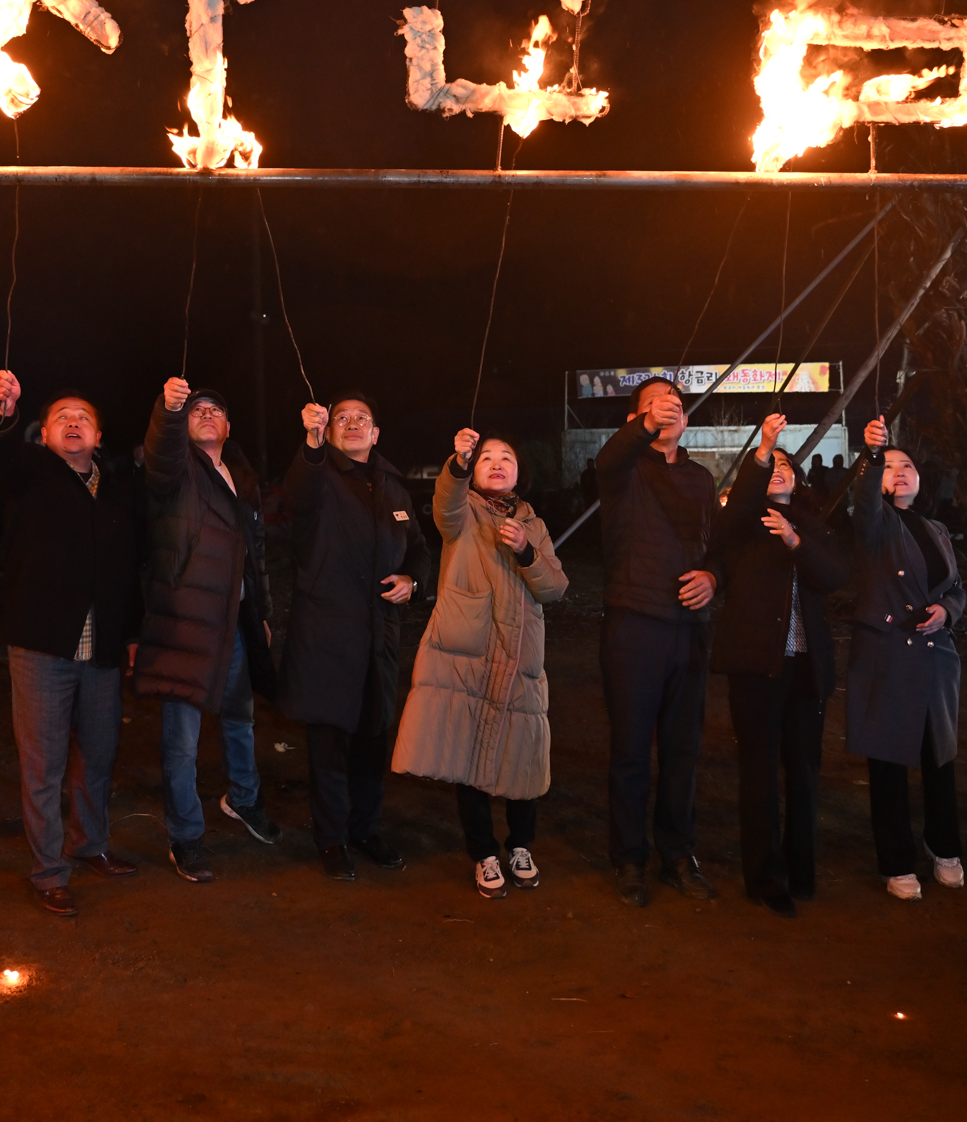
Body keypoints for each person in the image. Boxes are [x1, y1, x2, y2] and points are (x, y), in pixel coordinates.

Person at [0, 372, 143, 915]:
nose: (73, 423)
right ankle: (49, 869)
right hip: (42, 647)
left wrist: (132, 637)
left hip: (101, 651)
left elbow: (129, 571)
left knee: (97, 756)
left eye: (84, 418)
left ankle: (90, 844)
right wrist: (2, 415)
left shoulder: (116, 489)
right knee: (43, 764)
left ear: (98, 436)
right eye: (62, 418)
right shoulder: (29, 474)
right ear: (44, 434)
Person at [394, 428, 568, 898]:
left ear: (519, 472)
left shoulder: (535, 525)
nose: (496, 462)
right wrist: (458, 463)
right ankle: (484, 853)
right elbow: (444, 505)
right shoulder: (464, 512)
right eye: (487, 457)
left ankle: (521, 846)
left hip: (520, 659)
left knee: (522, 757)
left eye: (505, 457)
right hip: (468, 655)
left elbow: (554, 587)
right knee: (467, 756)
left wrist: (526, 552)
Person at [280, 392, 431, 881]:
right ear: (329, 429)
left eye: (361, 418)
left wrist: (413, 580)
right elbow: (296, 498)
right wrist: (310, 442)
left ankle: (367, 831)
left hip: (379, 640)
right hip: (328, 637)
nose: (351, 424)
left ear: (376, 433)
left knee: (371, 741)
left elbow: (418, 550)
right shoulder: (319, 474)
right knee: (329, 745)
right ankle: (331, 840)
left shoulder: (392, 486)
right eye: (341, 418)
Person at [135, 378, 278, 884]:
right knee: (183, 740)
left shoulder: (242, 476)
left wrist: (259, 609)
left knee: (241, 720)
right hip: (186, 624)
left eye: (216, 409)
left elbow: (253, 553)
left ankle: (243, 797)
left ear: (229, 425)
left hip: (234, 624)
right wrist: (167, 411)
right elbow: (160, 454)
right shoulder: (177, 471)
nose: (207, 414)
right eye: (197, 410)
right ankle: (186, 837)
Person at [711, 414, 850, 917]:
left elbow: (836, 575)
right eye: (772, 467)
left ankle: (802, 868)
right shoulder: (744, 522)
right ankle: (766, 879)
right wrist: (765, 448)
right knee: (760, 771)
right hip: (756, 667)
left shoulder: (814, 524)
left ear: (800, 479)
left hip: (806, 670)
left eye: (787, 466)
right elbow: (728, 521)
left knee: (805, 773)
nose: (779, 471)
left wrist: (796, 541)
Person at [595, 378, 720, 908]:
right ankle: (629, 858)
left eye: (675, 405)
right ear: (635, 421)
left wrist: (713, 577)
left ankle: (678, 853)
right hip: (634, 624)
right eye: (654, 406)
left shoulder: (700, 479)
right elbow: (608, 459)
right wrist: (646, 428)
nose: (669, 410)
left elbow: (716, 546)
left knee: (682, 750)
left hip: (689, 630)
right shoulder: (624, 472)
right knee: (629, 751)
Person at [848, 415, 967, 901]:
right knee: (889, 761)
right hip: (889, 654)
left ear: (920, 479)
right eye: (889, 466)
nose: (899, 471)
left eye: (906, 465)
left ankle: (944, 846)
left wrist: (948, 609)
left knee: (939, 756)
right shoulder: (874, 522)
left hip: (936, 656)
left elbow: (958, 588)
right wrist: (871, 456)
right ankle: (896, 861)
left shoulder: (936, 528)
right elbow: (862, 503)